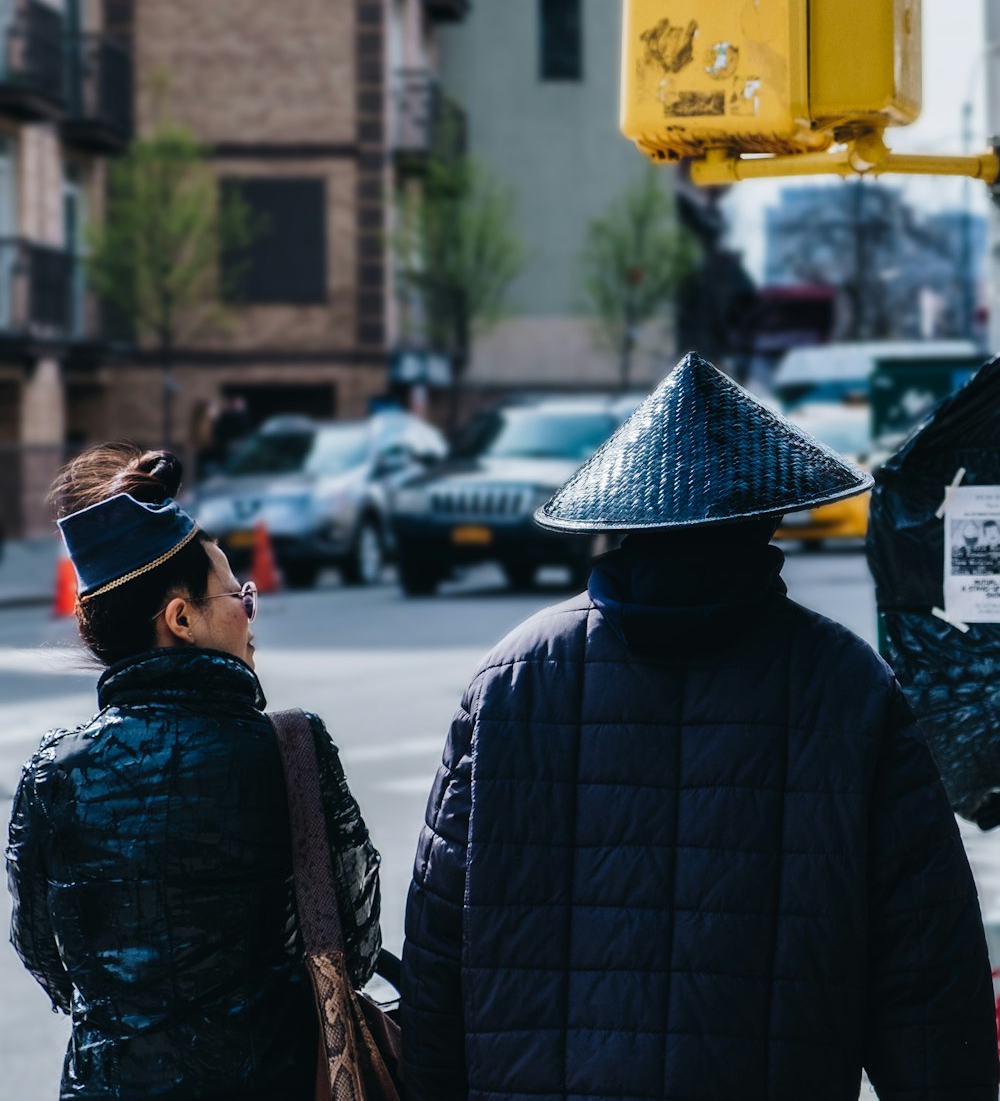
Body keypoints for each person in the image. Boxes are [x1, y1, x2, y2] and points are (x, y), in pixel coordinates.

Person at [400, 352, 998, 1101]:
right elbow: (928, 978)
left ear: (623, 523)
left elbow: (434, 950)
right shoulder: (847, 688)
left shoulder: (509, 681)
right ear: (768, 518)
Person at [6, 443, 381, 1100]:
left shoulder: (50, 774)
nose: (249, 612)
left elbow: (45, 956)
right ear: (181, 618)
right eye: (238, 591)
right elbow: (357, 944)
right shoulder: (290, 747)